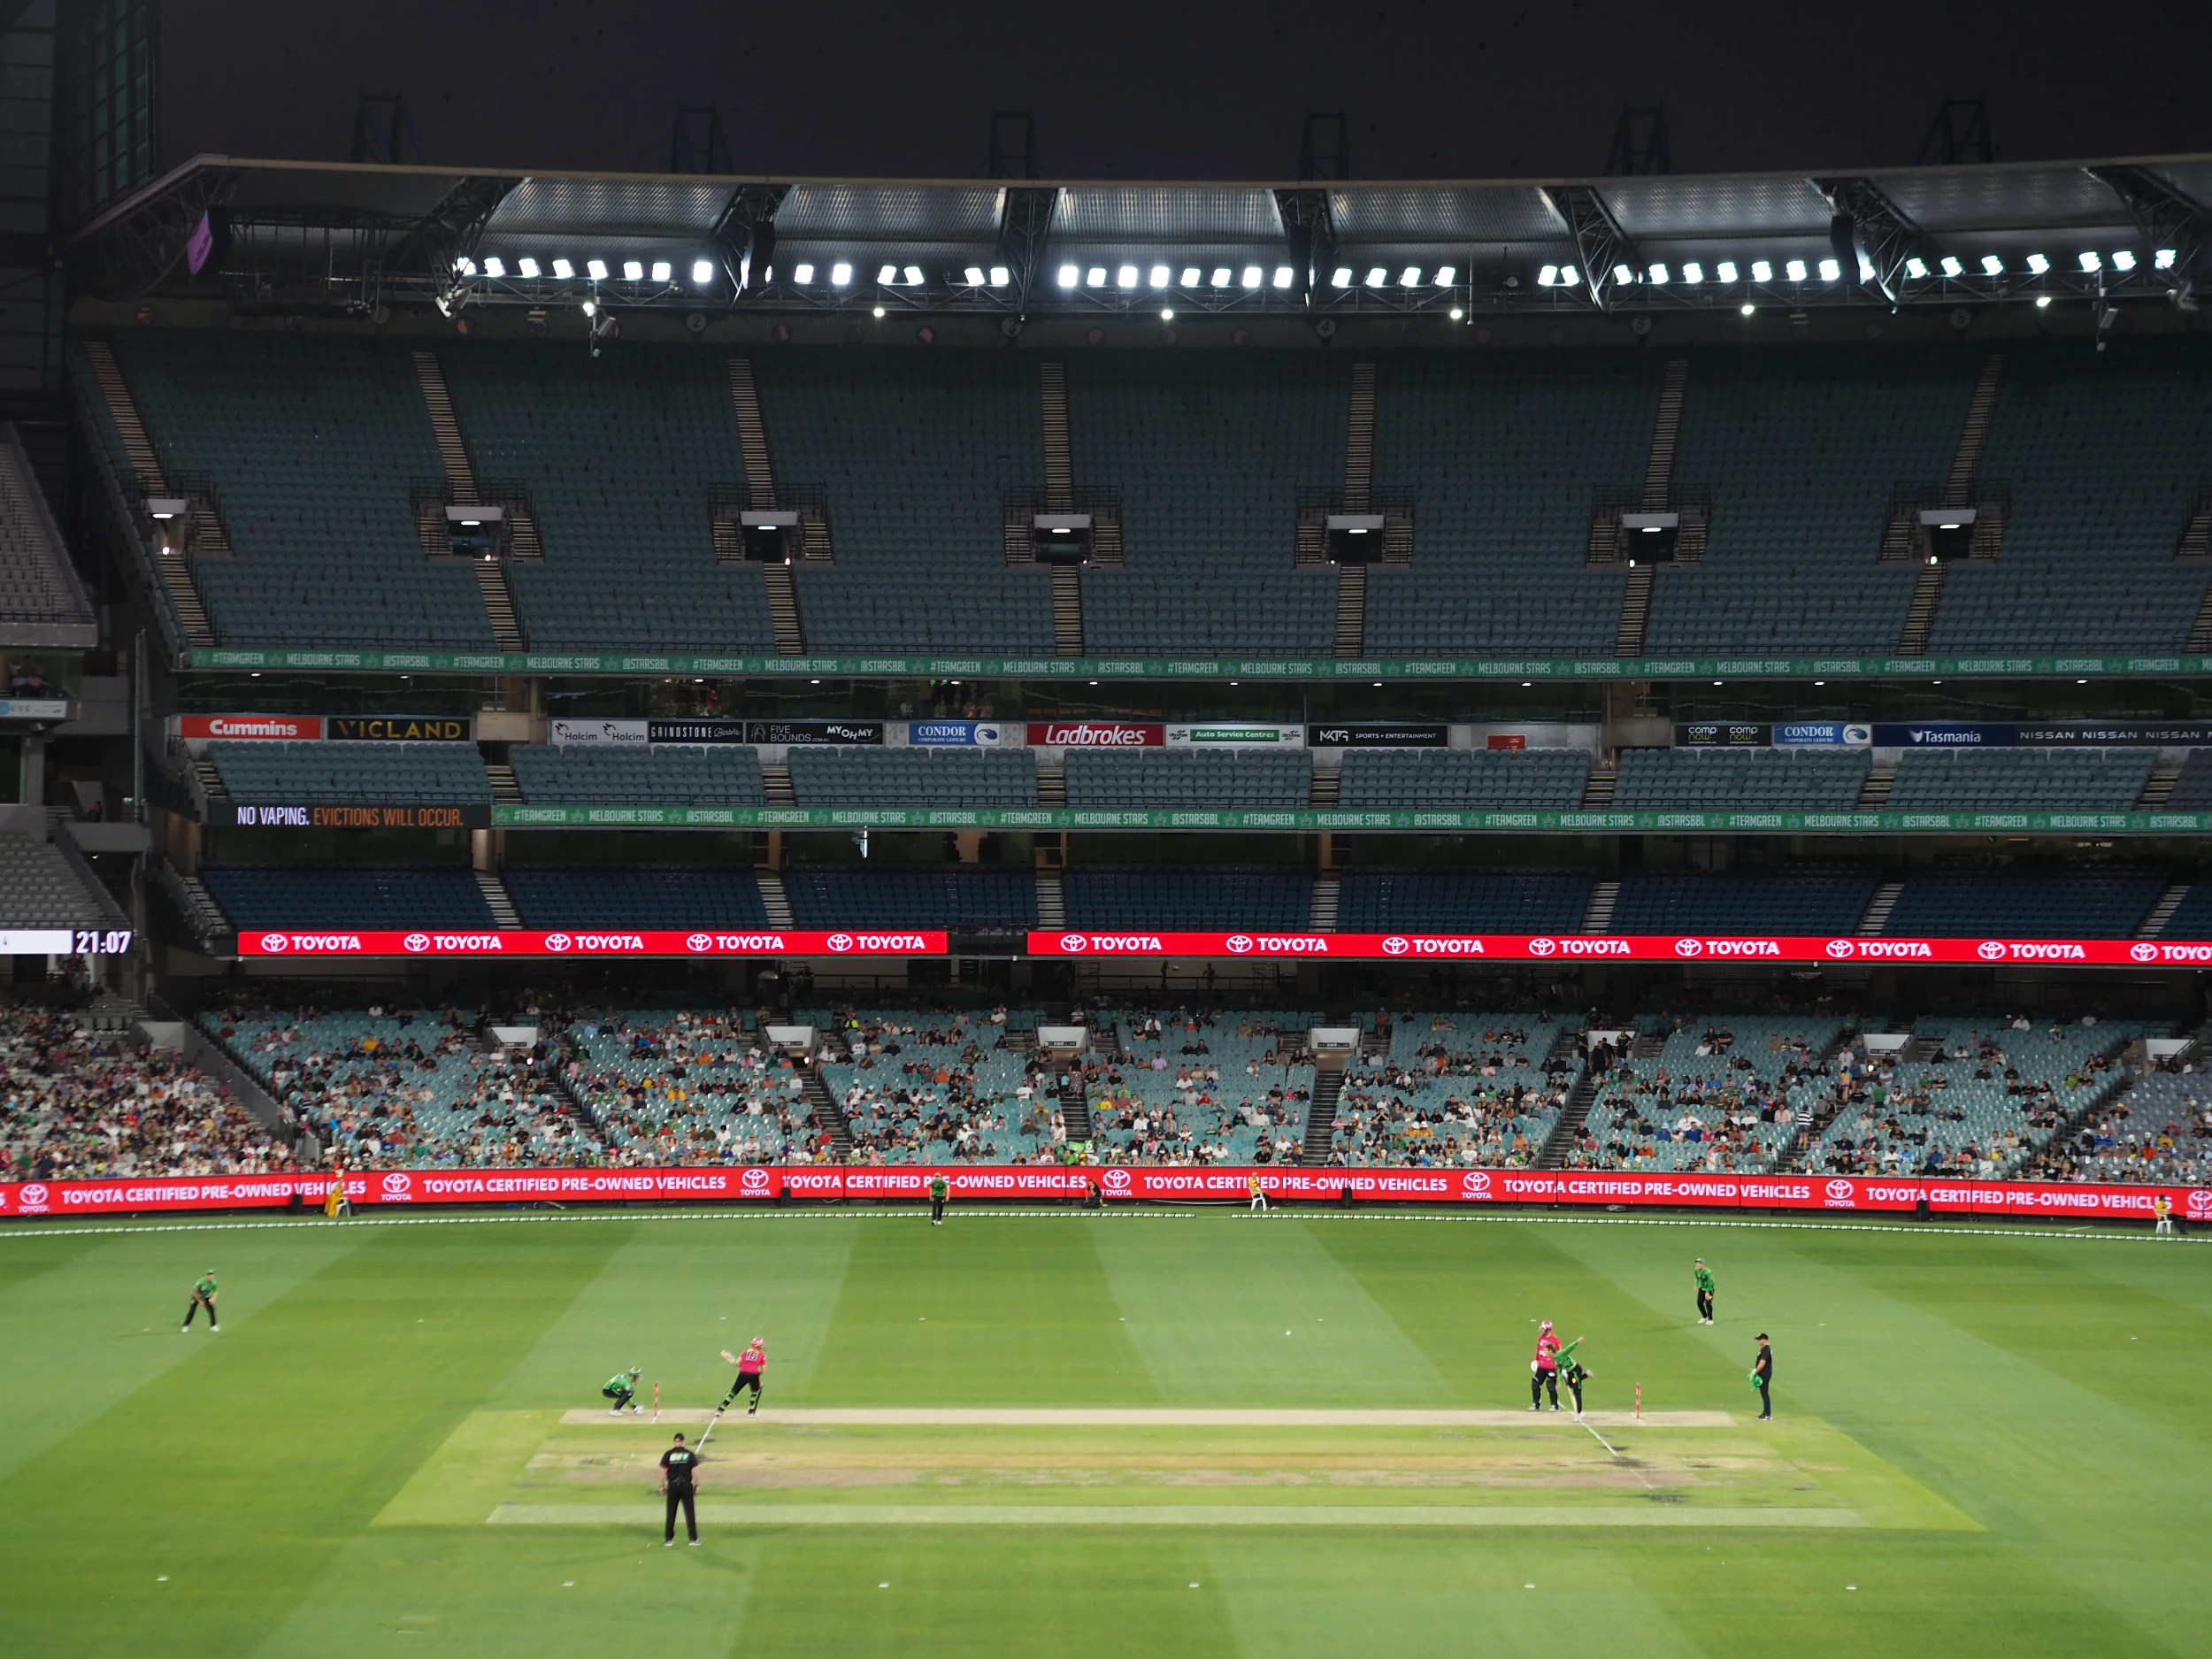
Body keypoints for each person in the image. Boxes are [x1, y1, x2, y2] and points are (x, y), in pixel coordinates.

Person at [660, 1432, 702, 1546]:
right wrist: (697, 1484)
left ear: (675, 1442)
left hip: (673, 1486)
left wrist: (662, 1485)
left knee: (671, 1513)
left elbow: (663, 1471)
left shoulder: (668, 1454)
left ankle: (669, 1539)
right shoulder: (689, 1454)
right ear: (683, 1441)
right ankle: (693, 1539)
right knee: (689, 1512)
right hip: (685, 1486)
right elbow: (695, 1471)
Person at [718, 1338, 765, 1416]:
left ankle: (720, 1409)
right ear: (759, 1347)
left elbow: (737, 1363)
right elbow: (763, 1370)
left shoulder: (745, 1353)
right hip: (754, 1374)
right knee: (755, 1392)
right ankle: (751, 1412)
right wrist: (757, 1373)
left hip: (742, 1373)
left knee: (733, 1391)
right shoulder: (761, 1355)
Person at [1529, 1319, 1561, 1410]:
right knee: (1535, 1383)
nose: (1542, 1330)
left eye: (1543, 1329)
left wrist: (1559, 1365)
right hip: (1541, 1367)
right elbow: (1538, 1350)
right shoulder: (1541, 1338)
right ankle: (1536, 1404)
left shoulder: (1555, 1340)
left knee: (1550, 1385)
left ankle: (1554, 1406)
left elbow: (1559, 1353)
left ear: (1548, 1330)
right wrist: (1536, 1360)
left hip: (1551, 1367)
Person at [1558, 1337, 1592, 1418]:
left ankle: (1579, 1413)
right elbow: (1559, 1370)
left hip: (1575, 1370)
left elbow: (1570, 1347)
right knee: (1571, 1384)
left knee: (1577, 1391)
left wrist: (1577, 1341)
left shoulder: (1562, 1353)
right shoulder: (1556, 1358)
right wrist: (1560, 1382)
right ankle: (1586, 1375)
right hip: (1570, 1373)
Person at [182, 1268, 219, 1333]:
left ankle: (213, 1326)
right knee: (192, 1310)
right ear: (206, 1276)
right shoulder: (201, 1282)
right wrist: (199, 1301)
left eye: (212, 1275)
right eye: (209, 1275)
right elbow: (194, 1291)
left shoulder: (213, 1283)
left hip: (206, 1297)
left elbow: (215, 1291)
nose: (210, 1276)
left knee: (212, 1310)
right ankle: (186, 1326)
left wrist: (213, 1299)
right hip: (197, 1297)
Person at [1751, 1333, 1774, 1420]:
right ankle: (1765, 1413)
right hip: (1764, 1373)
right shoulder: (1765, 1349)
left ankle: (1767, 1414)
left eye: (1759, 1340)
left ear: (1763, 1339)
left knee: (1765, 1393)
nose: (1758, 1341)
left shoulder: (1765, 1350)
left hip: (1764, 1373)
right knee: (1764, 1393)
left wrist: (1755, 1372)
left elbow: (1762, 1364)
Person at [1693, 1258, 1716, 1325]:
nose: (1697, 1265)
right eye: (1697, 1263)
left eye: (1699, 1263)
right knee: (1699, 1303)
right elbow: (1696, 1278)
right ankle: (1704, 1316)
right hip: (1702, 1288)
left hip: (1710, 1289)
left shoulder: (1708, 1272)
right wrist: (1696, 1285)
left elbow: (1710, 1282)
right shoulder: (1696, 1270)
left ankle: (1710, 1319)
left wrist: (1708, 1292)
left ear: (1703, 1264)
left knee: (1708, 1303)